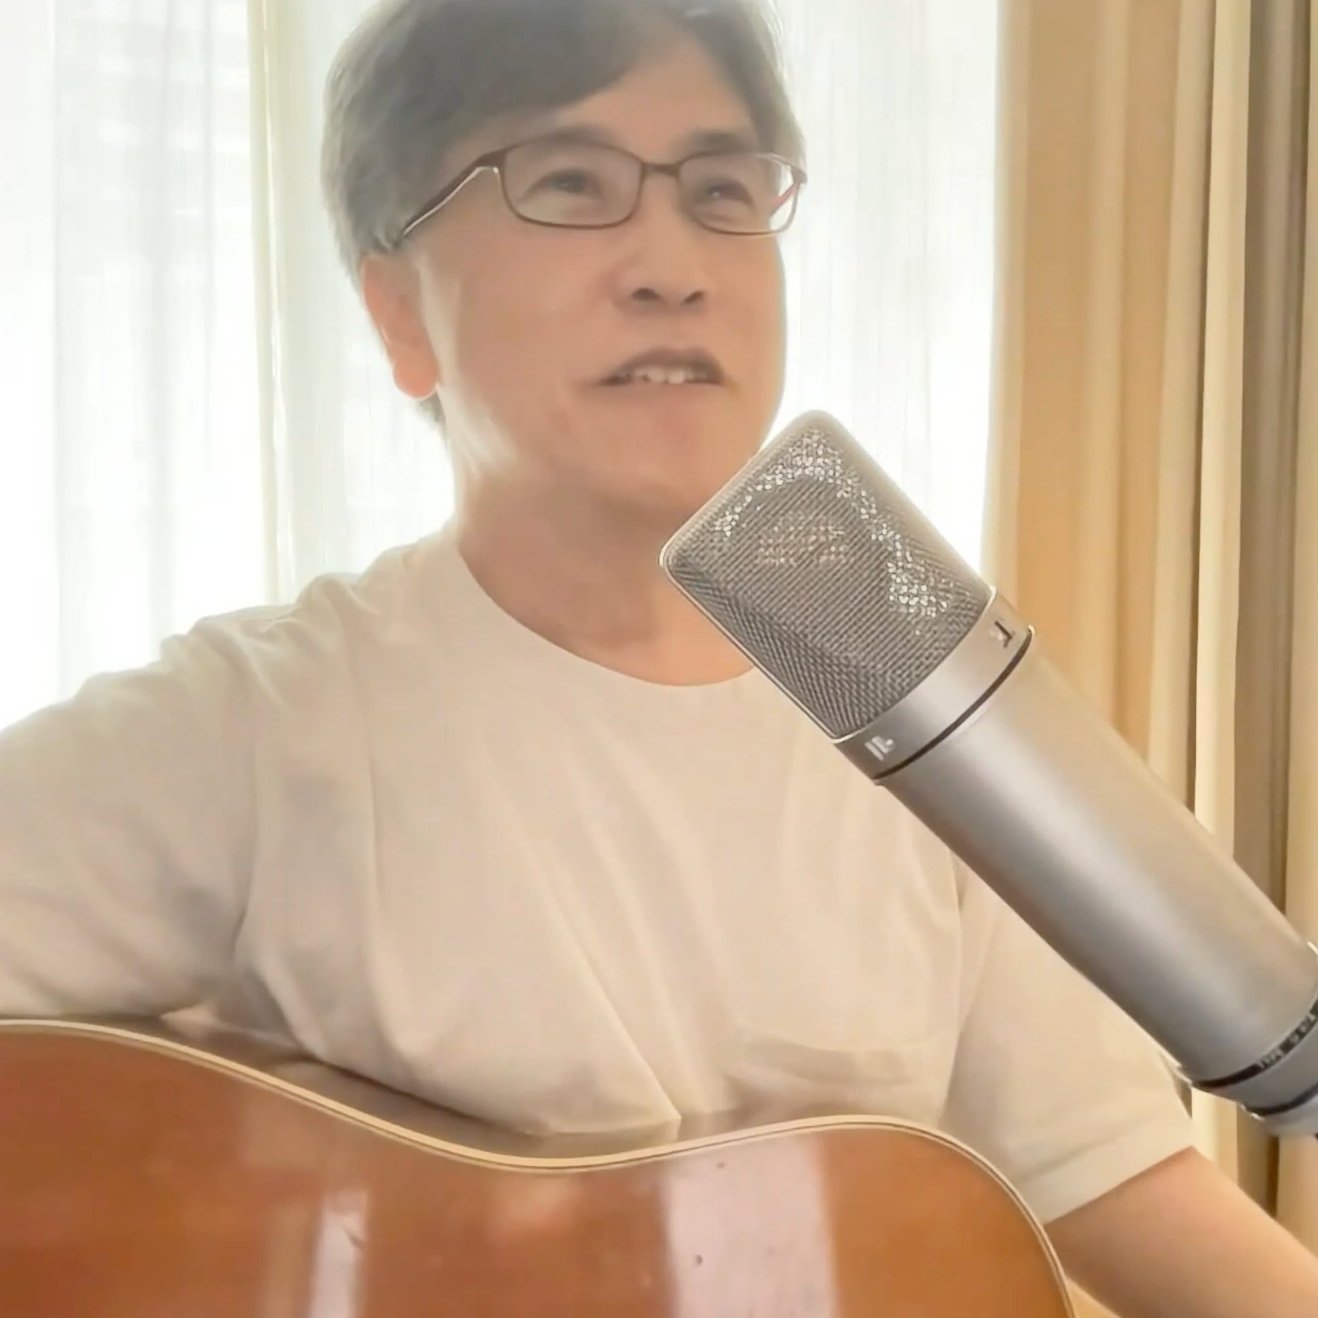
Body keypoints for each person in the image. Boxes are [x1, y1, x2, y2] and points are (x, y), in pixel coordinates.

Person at [2, 0, 1316, 1312]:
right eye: (569, 183)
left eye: (722, 189)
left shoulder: (925, 716)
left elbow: (1121, 1186)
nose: (672, 265)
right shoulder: (256, 727)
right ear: (398, 311)